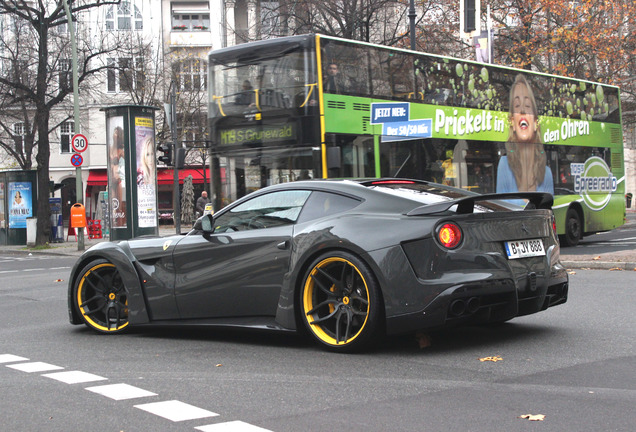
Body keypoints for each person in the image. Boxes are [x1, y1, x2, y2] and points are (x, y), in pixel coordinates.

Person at [497, 74, 553, 195]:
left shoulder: (547, 174)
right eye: (517, 106)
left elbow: (549, 211)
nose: (522, 110)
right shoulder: (504, 166)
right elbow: (501, 208)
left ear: (535, 123)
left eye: (527, 106)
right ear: (512, 121)